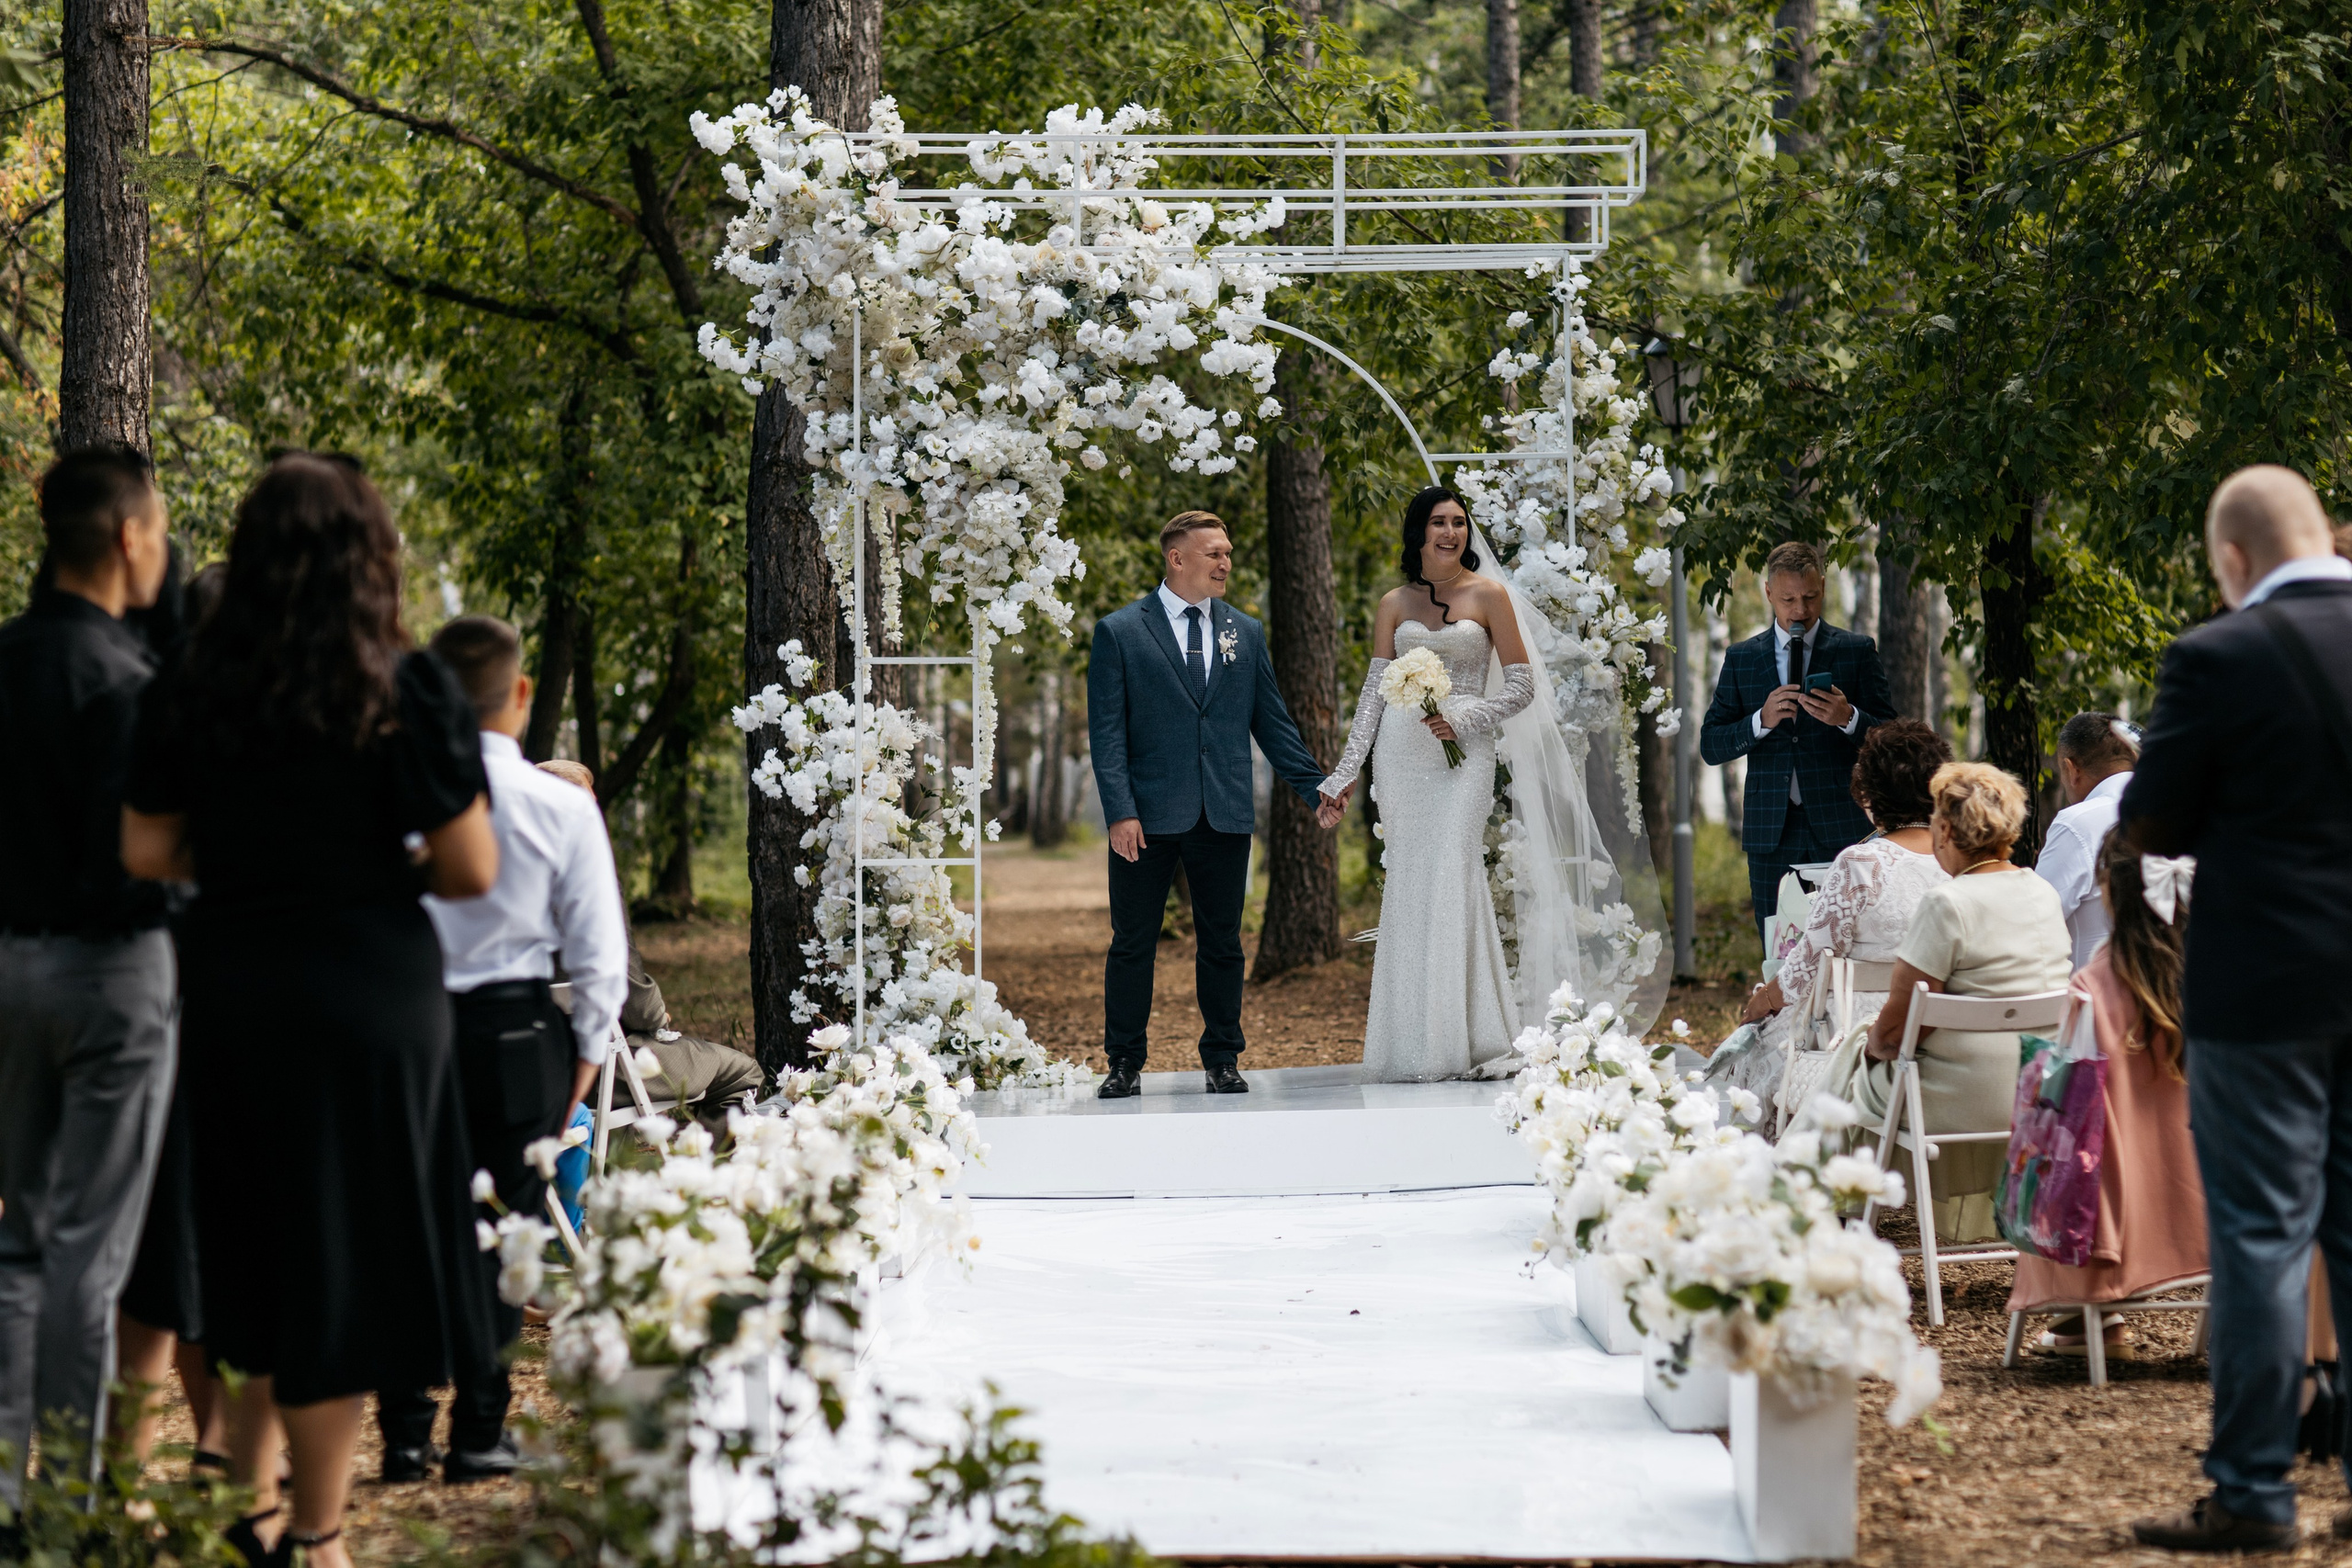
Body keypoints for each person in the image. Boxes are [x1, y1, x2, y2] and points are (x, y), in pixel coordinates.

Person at [123, 455, 499, 1568]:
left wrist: (247, 867)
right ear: (367, 557)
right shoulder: (410, 684)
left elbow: (146, 848)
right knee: (345, 1263)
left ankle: (248, 1502)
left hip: (233, 984)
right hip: (374, 995)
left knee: (250, 1244)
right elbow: (470, 866)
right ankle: (320, 1537)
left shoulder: (186, 683)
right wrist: (371, 877)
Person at [2122, 465, 2352, 1552]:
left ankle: (2256, 1494)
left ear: (2230, 561)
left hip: (2262, 986)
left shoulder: (2213, 656)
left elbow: (2154, 822)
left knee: (2263, 1237)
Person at [373, 616, 627, 1484]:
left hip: (408, 1021)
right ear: (520, 695)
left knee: (406, 1222)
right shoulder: (560, 805)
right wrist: (581, 1073)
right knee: (510, 1226)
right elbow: (599, 958)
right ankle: (481, 1427)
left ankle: (404, 1433)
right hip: (519, 1033)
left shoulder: (392, 790)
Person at [0, 446, 176, 1506]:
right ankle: (66, 1499)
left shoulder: (2, 660)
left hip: (8, 968)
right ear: (126, 536)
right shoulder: (130, 683)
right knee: (87, 1251)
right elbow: (142, 857)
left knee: (17, 1237)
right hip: (111, 976)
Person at [1086, 510, 1335, 1099]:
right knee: (1132, 943)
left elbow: (1271, 723)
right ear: (1178, 559)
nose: (1226, 563)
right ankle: (1123, 1062)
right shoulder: (1119, 632)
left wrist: (1314, 786)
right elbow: (1107, 734)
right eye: (1214, 554)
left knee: (1223, 942)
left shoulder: (1243, 633)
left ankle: (1222, 1057)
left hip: (1222, 811)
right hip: (1143, 818)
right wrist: (1120, 811)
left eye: (1227, 553)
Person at [1316, 487, 1538, 1078]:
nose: (1450, 532)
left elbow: (1521, 688)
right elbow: (1372, 697)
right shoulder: (1394, 602)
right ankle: (1411, 1042)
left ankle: (1467, 1036)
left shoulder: (1490, 595)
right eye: (1438, 522)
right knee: (1413, 882)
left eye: (1459, 523)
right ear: (1418, 532)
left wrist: (1464, 716)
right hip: (1403, 757)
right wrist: (1342, 777)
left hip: (1465, 756)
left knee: (1452, 872)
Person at [1828, 761, 2070, 1241]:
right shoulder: (2041, 891)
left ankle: (1829, 1220)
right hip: (2040, 1095)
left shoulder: (1948, 903)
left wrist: (1867, 1048)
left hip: (1955, 1104)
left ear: (1943, 829)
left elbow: (1895, 1034)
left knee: (1845, 1079)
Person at [2008, 830, 2207, 1361]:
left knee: (2051, 1153)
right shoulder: (2207, 976)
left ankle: (2085, 1319)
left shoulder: (2092, 988)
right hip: (2205, 1202)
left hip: (2115, 1215)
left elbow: (2070, 1108)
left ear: (2109, 894)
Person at [1709, 719, 1951, 1134]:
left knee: (1757, 1049)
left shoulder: (1863, 863)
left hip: (1851, 1030)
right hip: (1935, 1021)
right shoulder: (1959, 860)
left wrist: (1764, 1001)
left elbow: (1809, 962)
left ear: (1868, 792)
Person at [1699, 540, 1898, 954]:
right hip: (1772, 833)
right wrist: (1760, 720)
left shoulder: (1855, 651)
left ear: (1823, 587)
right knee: (1779, 953)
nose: (1800, 610)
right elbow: (1711, 745)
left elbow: (1893, 740)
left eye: (1809, 597)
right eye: (1788, 599)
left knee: (1850, 948)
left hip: (1843, 828)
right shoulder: (1741, 659)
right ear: (1768, 593)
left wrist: (1849, 717)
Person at [536, 758, 763, 1114]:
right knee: (742, 1073)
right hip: (598, 1071)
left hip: (529, 1065)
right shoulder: (589, 881)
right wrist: (658, 1017)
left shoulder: (497, 883)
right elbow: (628, 987)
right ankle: (697, 1166)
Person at [2032, 711, 2141, 970]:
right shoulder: (2177, 813)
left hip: (2092, 1000)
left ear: (2071, 769)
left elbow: (2035, 922)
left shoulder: (2077, 824)